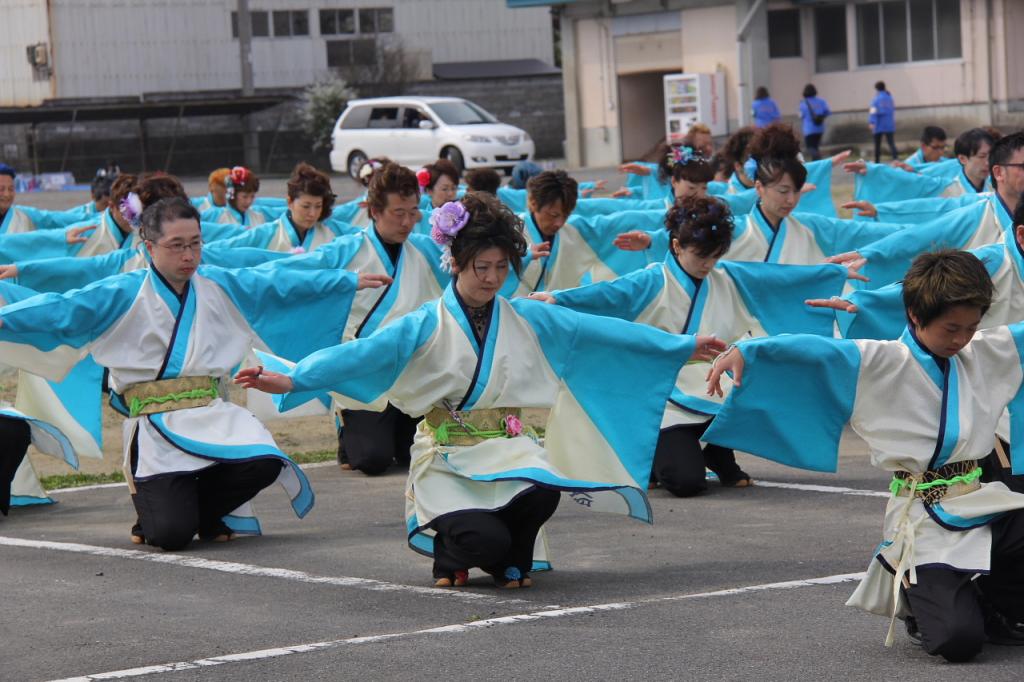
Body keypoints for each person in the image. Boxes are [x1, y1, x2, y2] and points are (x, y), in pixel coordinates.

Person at [237, 191, 725, 587]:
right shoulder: (426, 322)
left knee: (545, 489)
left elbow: (600, 333)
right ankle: (455, 553)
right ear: (456, 262)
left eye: (500, 268)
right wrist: (297, 376)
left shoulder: (526, 316)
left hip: (508, 451)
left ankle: (513, 554)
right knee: (483, 543)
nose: (492, 278)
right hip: (449, 458)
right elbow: (364, 353)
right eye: (481, 267)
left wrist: (679, 346)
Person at [0, 197, 392, 550]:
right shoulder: (121, 292)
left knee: (266, 459)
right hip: (154, 425)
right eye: (176, 246)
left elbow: (277, 283)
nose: (188, 255)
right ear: (148, 246)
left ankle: (202, 512)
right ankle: (164, 511)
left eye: (195, 244)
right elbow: (61, 308)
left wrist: (344, 281)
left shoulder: (219, 284)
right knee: (169, 536)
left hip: (211, 413)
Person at [707, 250, 1024, 661]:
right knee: (957, 642)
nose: (961, 339)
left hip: (981, 498)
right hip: (923, 517)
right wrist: (749, 352)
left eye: (971, 327)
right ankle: (923, 600)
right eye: (951, 328)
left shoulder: (984, 350)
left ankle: (998, 601)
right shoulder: (879, 360)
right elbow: (815, 352)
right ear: (914, 314)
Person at [533, 196, 854, 496]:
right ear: (675, 245)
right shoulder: (651, 281)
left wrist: (834, 275)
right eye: (701, 256)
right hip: (665, 396)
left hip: (716, 386)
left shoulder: (728, 276)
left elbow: (779, 281)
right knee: (685, 482)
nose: (707, 264)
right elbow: (607, 296)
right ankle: (665, 450)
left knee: (771, 377)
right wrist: (559, 299)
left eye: (715, 256)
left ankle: (716, 447)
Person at [262, 163, 448, 476]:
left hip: (411, 371)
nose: (407, 221)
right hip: (361, 374)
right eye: (397, 212)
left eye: (413, 211)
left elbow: (468, 266)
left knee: (413, 454)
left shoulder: (426, 249)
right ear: (374, 211)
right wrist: (344, 282)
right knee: (373, 460)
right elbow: (288, 274)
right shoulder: (346, 250)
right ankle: (346, 421)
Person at [829, 131, 1024, 290]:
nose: (985, 163)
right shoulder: (972, 207)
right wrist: (879, 213)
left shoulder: (988, 193)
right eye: (982, 156)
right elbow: (923, 219)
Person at [204, 163, 359, 253]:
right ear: (290, 202)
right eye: (306, 206)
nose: (312, 214)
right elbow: (228, 247)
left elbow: (368, 237)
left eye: (318, 206)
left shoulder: (332, 230)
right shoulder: (268, 233)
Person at [0, 164, 89, 235]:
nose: (7, 194)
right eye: (1, 189)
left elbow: (54, 219)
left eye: (11, 189)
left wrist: (94, 215)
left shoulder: (23, 215)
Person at [200, 166, 279, 227]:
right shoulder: (215, 215)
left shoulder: (258, 213)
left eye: (252, 196)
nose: (249, 201)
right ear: (232, 194)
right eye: (244, 197)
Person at [799, 84, 830, 161]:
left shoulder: (803, 103)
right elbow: (827, 112)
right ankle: (816, 162)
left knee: (809, 147)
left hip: (809, 129)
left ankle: (818, 157)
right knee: (815, 146)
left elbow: (801, 115)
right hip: (819, 128)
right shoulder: (821, 101)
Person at [869, 82, 898, 164]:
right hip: (889, 124)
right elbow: (892, 110)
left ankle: (877, 161)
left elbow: (873, 111)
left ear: (877, 89)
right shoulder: (890, 98)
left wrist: (872, 122)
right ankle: (896, 159)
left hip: (878, 124)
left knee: (877, 145)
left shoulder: (876, 99)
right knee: (891, 143)